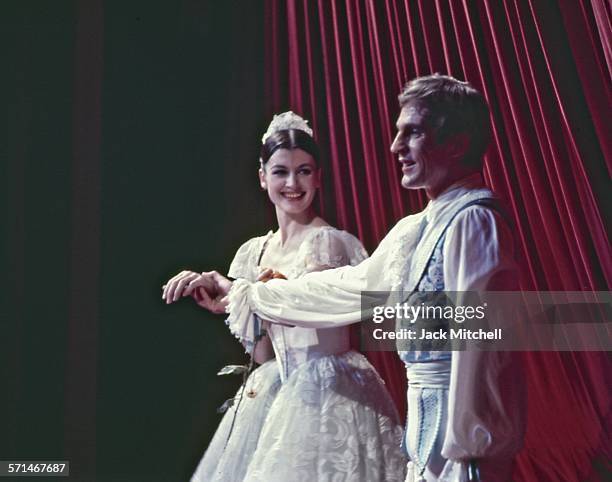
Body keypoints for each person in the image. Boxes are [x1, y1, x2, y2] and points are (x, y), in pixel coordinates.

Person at [196, 76, 526, 481]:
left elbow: (482, 346)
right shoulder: (418, 226)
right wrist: (243, 294)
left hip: (461, 444)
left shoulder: (473, 221)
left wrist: (468, 450)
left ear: (456, 143)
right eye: (397, 132)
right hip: (428, 439)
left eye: (413, 132)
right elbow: (343, 288)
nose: (396, 147)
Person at [162, 111, 407, 482]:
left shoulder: (326, 243)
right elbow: (264, 354)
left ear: (318, 177)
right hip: (277, 382)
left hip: (327, 385)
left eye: (304, 171)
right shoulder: (253, 252)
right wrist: (230, 307)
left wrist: (250, 294)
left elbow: (319, 326)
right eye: (281, 172)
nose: (293, 183)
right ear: (263, 178)